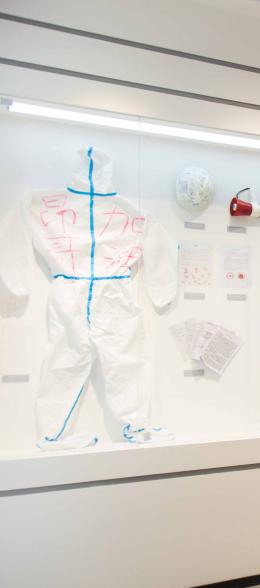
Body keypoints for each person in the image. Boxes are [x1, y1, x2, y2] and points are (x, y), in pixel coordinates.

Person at [0, 148, 178, 450]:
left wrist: (164, 290)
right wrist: (15, 281)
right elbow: (14, 227)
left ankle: (132, 426)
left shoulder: (130, 211)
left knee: (122, 360)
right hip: (74, 287)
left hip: (110, 289)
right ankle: (55, 433)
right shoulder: (42, 203)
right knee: (68, 359)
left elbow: (159, 242)